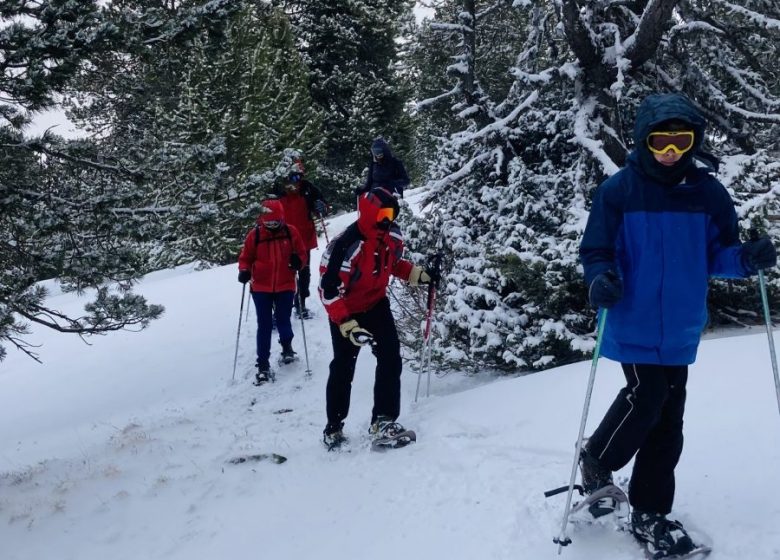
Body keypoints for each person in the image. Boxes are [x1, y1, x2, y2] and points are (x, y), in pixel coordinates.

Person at [578, 92, 777, 557]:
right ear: (643, 140)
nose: (670, 151)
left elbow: (718, 254)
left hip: (681, 325)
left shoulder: (707, 193)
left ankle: (650, 511)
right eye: (660, 141)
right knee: (647, 396)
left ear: (693, 141)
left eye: (680, 140)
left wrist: (746, 259)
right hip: (633, 317)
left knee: (669, 419)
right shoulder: (619, 191)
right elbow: (596, 250)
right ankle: (597, 458)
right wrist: (600, 278)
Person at [318, 187, 436, 450]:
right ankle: (334, 427)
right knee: (343, 367)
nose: (388, 218)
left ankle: (383, 421)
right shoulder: (345, 247)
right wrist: (347, 325)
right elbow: (326, 291)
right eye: (382, 212)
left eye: (391, 213)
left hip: (376, 304)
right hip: (345, 309)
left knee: (390, 358)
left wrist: (419, 274)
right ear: (370, 212)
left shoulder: (392, 235)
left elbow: (394, 264)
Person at [238, 198, 308, 384]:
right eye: (267, 222)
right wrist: (244, 271)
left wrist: (298, 261)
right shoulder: (256, 235)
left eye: (275, 221)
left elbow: (302, 254)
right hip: (260, 287)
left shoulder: (291, 233)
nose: (271, 225)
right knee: (265, 325)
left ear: (282, 219)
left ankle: (287, 347)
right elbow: (245, 257)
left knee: (284, 320)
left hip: (285, 285)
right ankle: (262, 364)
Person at [273, 160, 328, 319]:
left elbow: (323, 206)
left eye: (299, 177)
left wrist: (321, 207)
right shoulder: (278, 190)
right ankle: (279, 309)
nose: (296, 181)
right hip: (281, 238)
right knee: (281, 274)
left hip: (303, 237)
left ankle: (300, 303)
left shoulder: (308, 188)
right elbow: (267, 209)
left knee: (304, 272)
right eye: (293, 177)